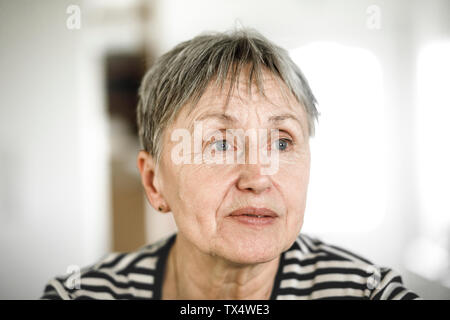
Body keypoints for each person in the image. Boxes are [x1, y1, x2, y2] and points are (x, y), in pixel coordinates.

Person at [40, 29, 420, 300]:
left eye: (282, 141)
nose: (258, 177)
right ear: (154, 182)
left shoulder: (371, 292)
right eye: (220, 144)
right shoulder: (81, 294)